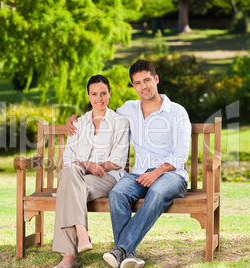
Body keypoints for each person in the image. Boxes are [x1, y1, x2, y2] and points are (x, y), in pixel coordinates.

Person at [66, 60, 191, 268]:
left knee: (157, 191)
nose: (144, 86)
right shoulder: (127, 110)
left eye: (147, 80)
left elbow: (180, 155)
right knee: (117, 193)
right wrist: (77, 118)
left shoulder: (177, 112)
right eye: (137, 82)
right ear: (133, 86)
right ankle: (127, 256)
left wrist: (158, 171)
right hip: (139, 175)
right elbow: (101, 111)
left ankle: (121, 249)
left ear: (156, 79)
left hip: (172, 176)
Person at [53, 75, 129, 268]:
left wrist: (99, 167)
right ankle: (82, 233)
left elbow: (119, 160)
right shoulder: (78, 124)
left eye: (103, 93)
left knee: (67, 189)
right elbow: (69, 160)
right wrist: (87, 164)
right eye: (94, 94)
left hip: (107, 178)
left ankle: (69, 257)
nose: (99, 98)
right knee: (70, 175)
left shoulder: (120, 121)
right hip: (78, 176)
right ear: (88, 96)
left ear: (110, 94)